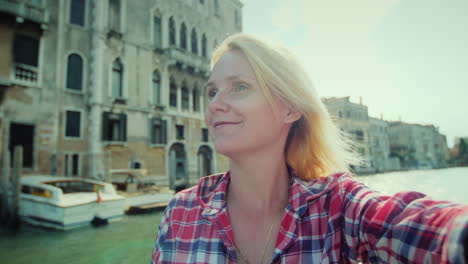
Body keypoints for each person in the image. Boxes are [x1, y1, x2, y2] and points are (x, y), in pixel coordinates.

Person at [152, 33, 468, 263]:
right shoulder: (180, 212)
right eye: (212, 92)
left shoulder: (338, 206)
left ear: (290, 108)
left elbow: (414, 226)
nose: (215, 105)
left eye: (240, 87)